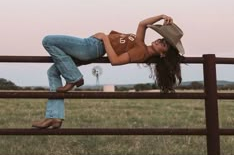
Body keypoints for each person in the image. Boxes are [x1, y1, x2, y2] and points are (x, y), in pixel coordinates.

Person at [32, 14, 185, 129]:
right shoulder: (141, 44)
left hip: (93, 46)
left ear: (163, 54)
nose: (160, 41)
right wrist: (162, 16)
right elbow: (142, 24)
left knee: (48, 40)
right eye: (162, 39)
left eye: (164, 45)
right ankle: (54, 117)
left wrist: (105, 38)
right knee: (53, 72)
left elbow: (115, 61)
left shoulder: (141, 53)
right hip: (94, 45)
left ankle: (73, 77)